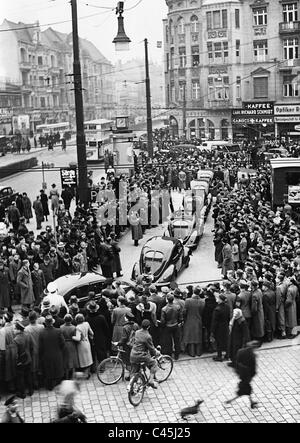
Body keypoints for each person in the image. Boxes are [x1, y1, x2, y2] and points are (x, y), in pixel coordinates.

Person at [225, 340, 260, 409]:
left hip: (241, 373)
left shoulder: (240, 351)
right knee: (243, 390)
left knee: (247, 389)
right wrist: (252, 375)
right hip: (246, 375)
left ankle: (251, 402)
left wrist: (237, 371)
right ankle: (230, 401)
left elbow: (236, 362)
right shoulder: (252, 355)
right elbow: (253, 368)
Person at [130, 319, 160, 389]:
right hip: (141, 356)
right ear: (148, 327)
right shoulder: (148, 336)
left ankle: (131, 388)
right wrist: (156, 352)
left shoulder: (137, 332)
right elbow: (151, 348)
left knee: (134, 371)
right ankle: (151, 381)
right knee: (154, 363)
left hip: (133, 354)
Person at [39, 315, 65, 390]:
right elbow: (63, 343)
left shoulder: (42, 332)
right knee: (58, 368)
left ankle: (50, 386)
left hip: (46, 354)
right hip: (57, 353)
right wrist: (60, 350)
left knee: (48, 370)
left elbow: (40, 346)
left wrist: (41, 354)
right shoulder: (58, 331)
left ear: (46, 323)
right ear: (52, 323)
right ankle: (58, 384)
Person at [85, 301, 109, 368]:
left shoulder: (87, 318)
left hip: (91, 337)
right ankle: (102, 367)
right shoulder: (101, 317)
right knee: (101, 352)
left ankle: (93, 367)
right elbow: (106, 328)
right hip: (101, 337)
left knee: (92, 352)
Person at [13, 320, 34, 398]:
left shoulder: (16, 340)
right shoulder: (28, 335)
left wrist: (17, 362)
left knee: (20, 377)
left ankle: (22, 393)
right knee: (28, 375)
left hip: (20, 361)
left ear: (19, 330)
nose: (13, 330)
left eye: (15, 328)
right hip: (28, 359)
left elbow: (16, 354)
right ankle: (31, 391)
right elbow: (31, 347)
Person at [182, 287, 205, 357]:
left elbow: (184, 311)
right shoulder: (202, 301)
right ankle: (198, 352)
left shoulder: (187, 301)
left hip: (189, 320)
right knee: (198, 337)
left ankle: (192, 353)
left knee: (190, 337)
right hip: (198, 320)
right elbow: (202, 312)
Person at [24, 311, 44, 390]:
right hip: (41, 349)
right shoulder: (41, 327)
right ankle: (41, 381)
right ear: (36, 318)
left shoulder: (26, 329)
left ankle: (35, 383)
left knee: (33, 368)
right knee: (41, 366)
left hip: (32, 350)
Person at [117, 311, 139, 380]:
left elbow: (124, 338)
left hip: (127, 346)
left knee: (128, 361)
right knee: (133, 360)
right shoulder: (136, 325)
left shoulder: (125, 327)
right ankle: (134, 375)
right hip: (134, 345)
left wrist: (118, 343)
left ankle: (131, 376)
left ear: (127, 318)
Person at [160, 293, 183, 360]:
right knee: (177, 341)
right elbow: (181, 317)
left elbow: (163, 320)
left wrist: (162, 325)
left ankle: (169, 355)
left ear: (167, 300)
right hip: (175, 325)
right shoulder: (177, 307)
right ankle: (177, 355)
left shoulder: (164, 309)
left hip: (168, 326)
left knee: (168, 341)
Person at [72, 313, 94, 378]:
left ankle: (86, 374)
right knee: (88, 358)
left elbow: (78, 338)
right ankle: (88, 373)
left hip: (81, 345)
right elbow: (92, 333)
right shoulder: (87, 324)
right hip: (87, 342)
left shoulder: (78, 327)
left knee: (83, 360)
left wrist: (72, 337)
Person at [211, 293, 231, 362]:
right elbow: (229, 317)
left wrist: (212, 331)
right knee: (226, 340)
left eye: (217, 298)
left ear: (220, 300)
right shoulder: (227, 307)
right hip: (225, 325)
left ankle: (219, 356)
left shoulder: (217, 309)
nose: (216, 299)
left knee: (219, 342)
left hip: (219, 328)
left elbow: (214, 321)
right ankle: (227, 355)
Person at [60, 314, 79, 380]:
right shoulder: (74, 327)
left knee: (66, 361)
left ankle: (67, 376)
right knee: (73, 360)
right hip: (72, 344)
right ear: (71, 320)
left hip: (64, 344)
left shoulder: (61, 327)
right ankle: (73, 376)